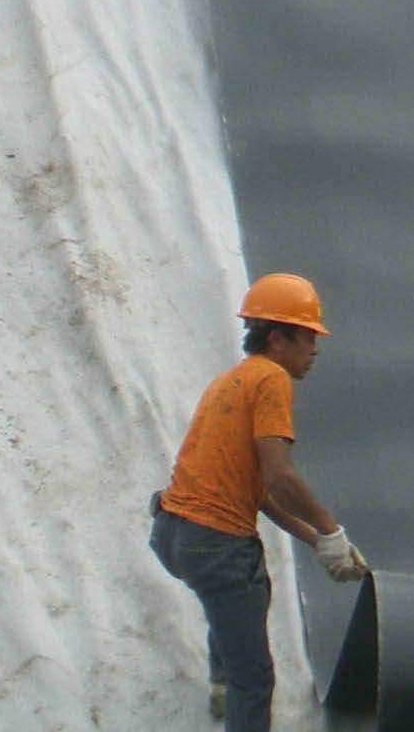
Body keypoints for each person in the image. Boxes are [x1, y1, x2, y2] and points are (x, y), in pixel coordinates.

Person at [150, 274, 370, 730]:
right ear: (277, 337)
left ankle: (221, 688)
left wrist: (315, 542)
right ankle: (234, 691)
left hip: (173, 535)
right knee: (258, 679)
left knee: (235, 601)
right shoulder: (272, 379)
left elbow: (260, 492)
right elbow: (280, 476)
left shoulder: (229, 382)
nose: (315, 349)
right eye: (308, 336)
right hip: (215, 545)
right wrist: (332, 530)